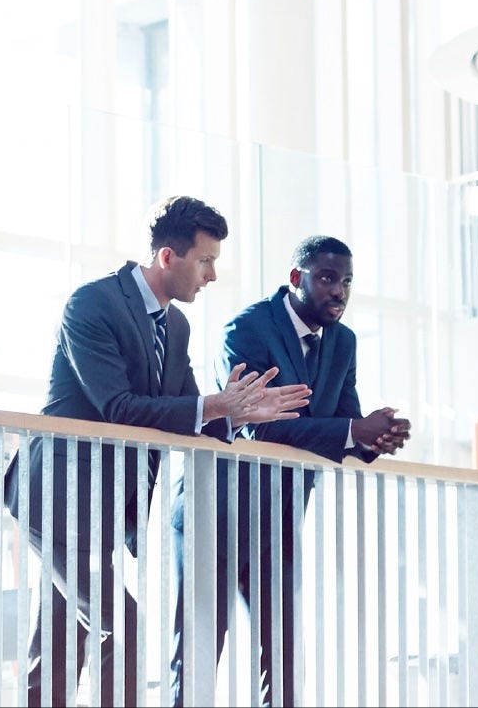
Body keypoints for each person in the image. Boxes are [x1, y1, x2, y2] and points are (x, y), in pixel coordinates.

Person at [2, 196, 312, 707]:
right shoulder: (93, 304)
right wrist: (214, 405)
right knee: (120, 625)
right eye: (206, 260)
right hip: (58, 495)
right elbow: (120, 407)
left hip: (101, 509)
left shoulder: (177, 326)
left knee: (58, 645)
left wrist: (236, 416)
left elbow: (186, 412)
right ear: (169, 257)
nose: (211, 276)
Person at [168, 236, 409, 707]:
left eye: (346, 282)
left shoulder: (343, 342)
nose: (338, 291)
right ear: (296, 278)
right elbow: (258, 429)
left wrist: (372, 440)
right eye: (326, 278)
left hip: (279, 519)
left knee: (281, 655)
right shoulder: (249, 329)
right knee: (199, 652)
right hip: (216, 511)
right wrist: (352, 429)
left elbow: (340, 422)